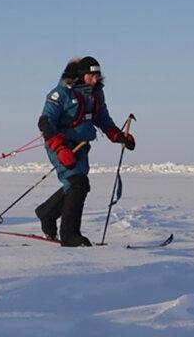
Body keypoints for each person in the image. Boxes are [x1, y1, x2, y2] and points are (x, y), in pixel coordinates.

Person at [35, 56, 135, 246]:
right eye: (91, 75)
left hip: (81, 147)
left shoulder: (96, 95)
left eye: (98, 75)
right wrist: (60, 148)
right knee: (77, 184)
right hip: (61, 146)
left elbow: (103, 119)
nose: (96, 79)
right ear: (81, 75)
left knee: (77, 185)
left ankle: (47, 213)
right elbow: (45, 122)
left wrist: (119, 137)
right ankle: (70, 235)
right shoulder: (60, 93)